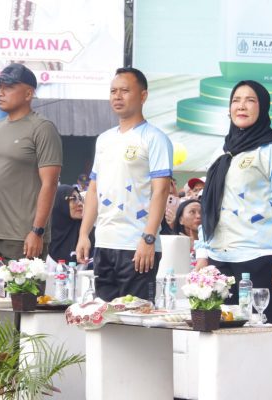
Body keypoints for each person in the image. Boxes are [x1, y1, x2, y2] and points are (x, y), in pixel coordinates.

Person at [196, 80, 272, 326]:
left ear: (263, 107)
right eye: (236, 100)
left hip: (258, 258)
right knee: (219, 333)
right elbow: (209, 206)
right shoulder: (222, 151)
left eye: (250, 100)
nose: (241, 106)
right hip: (219, 259)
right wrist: (202, 252)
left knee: (259, 332)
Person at [76, 67, 173, 301]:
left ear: (143, 96)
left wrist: (148, 238)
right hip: (104, 243)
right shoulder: (104, 140)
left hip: (137, 245)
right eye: (113, 91)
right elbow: (94, 190)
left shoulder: (155, 138)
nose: (117, 96)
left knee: (136, 315)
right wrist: (84, 234)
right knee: (104, 314)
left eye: (125, 91)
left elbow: (160, 191)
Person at [0, 63, 62, 276]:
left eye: (8, 87)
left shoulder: (42, 128)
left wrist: (37, 231)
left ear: (28, 94)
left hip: (24, 236)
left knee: (24, 297)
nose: (1, 92)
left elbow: (50, 183)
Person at [49, 185, 93, 266]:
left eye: (81, 199)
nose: (80, 203)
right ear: (59, 203)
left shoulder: (90, 233)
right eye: (74, 199)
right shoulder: (45, 238)